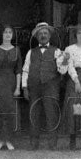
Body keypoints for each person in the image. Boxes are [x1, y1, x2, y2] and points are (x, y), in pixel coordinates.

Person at [21, 22, 69, 150]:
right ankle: (33, 144)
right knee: (34, 114)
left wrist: (65, 59)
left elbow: (63, 70)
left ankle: (52, 144)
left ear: (49, 35)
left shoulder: (57, 51)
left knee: (51, 114)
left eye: (45, 33)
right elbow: (25, 70)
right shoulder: (31, 52)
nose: (43, 35)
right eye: (40, 33)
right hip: (34, 87)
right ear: (37, 36)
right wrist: (25, 87)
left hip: (51, 88)